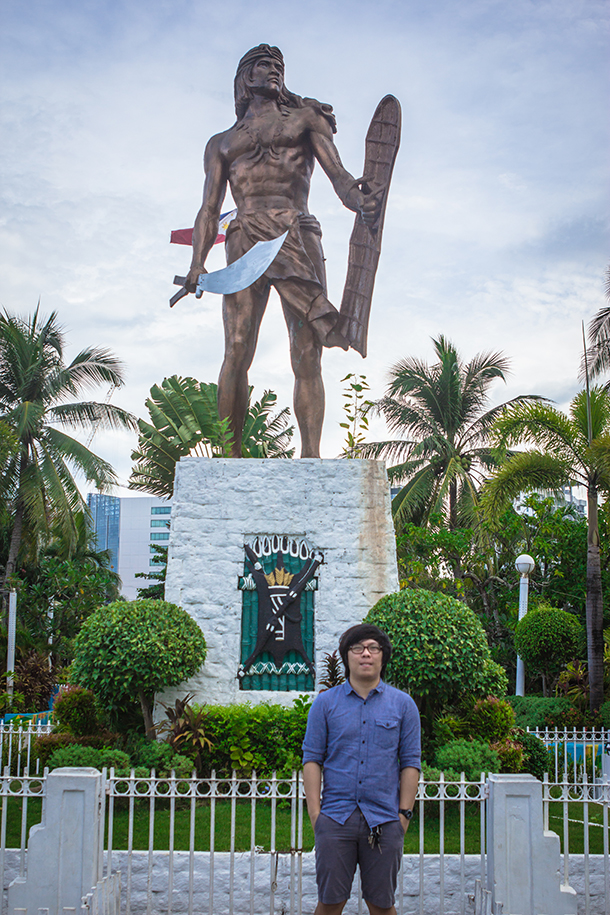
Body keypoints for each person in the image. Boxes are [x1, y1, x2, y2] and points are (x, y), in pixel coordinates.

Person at [184, 44, 380, 458]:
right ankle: (229, 456)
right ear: (245, 78)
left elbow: (339, 176)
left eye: (278, 66)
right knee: (237, 347)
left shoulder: (306, 119)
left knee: (306, 350)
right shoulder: (221, 143)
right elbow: (208, 208)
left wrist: (358, 199)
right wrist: (197, 262)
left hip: (297, 232)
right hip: (244, 238)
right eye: (263, 65)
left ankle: (311, 455)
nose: (273, 71)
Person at [302, 624, 421, 915]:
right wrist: (317, 815)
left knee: (381, 906)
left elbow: (410, 763)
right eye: (358, 648)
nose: (365, 654)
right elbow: (312, 759)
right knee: (329, 904)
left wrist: (403, 815)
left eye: (373, 648)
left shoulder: (404, 706)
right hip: (335, 819)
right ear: (347, 656)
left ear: (383, 657)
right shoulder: (325, 704)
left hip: (384, 819)